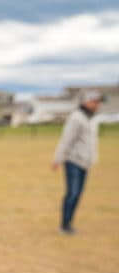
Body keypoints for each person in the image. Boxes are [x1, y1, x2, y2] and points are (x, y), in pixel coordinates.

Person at [52, 90, 103, 235]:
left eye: (98, 102)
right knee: (72, 193)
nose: (96, 105)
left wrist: (93, 158)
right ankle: (64, 224)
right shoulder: (76, 118)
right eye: (94, 102)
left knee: (78, 194)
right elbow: (66, 139)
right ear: (85, 101)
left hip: (85, 162)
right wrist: (58, 158)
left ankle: (69, 223)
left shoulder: (93, 119)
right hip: (73, 160)